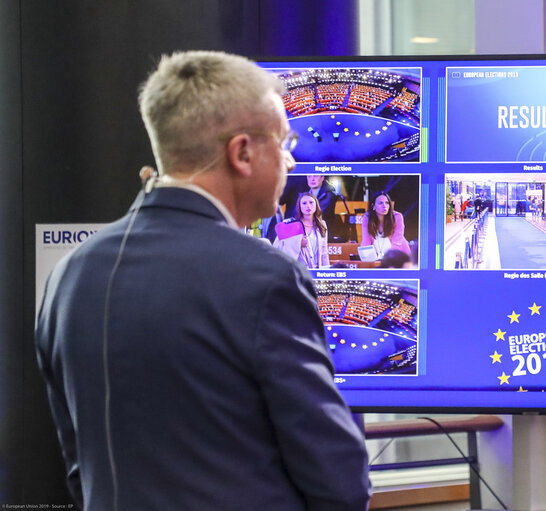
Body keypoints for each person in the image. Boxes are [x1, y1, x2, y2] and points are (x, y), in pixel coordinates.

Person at [35, 51, 370, 511]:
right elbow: (340, 482)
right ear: (243, 152)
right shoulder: (266, 278)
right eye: (285, 140)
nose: (291, 159)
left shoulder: (67, 278)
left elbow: (79, 471)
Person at [274, 192, 330, 269]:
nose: (308, 206)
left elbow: (324, 253)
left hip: (317, 272)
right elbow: (277, 247)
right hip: (298, 271)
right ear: (299, 206)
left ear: (316, 205)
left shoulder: (322, 224)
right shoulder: (290, 224)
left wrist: (326, 274)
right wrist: (298, 243)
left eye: (311, 202)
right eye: (304, 203)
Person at [360, 191, 410, 260]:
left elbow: (397, 243)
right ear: (373, 206)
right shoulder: (367, 218)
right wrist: (367, 259)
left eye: (387, 203)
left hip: (398, 257)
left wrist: (388, 260)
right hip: (377, 258)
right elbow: (366, 242)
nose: (384, 206)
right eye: (380, 203)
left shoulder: (397, 217)